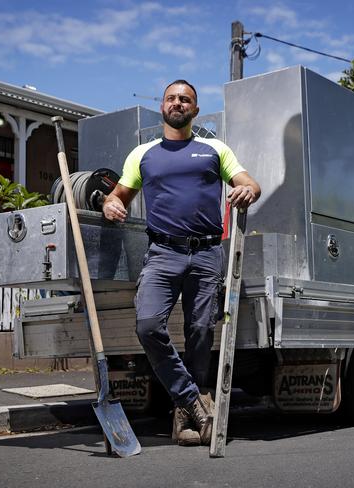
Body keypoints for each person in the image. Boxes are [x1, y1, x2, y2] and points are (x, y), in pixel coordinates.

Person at [103, 79, 261, 446]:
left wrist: (248, 190)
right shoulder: (142, 154)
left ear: (195, 109)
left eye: (185, 99)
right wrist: (111, 203)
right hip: (162, 253)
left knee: (201, 331)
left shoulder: (213, 149)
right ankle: (192, 399)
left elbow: (248, 182)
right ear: (162, 106)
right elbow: (119, 195)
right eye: (172, 98)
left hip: (207, 253)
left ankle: (187, 418)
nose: (178, 103)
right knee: (147, 324)